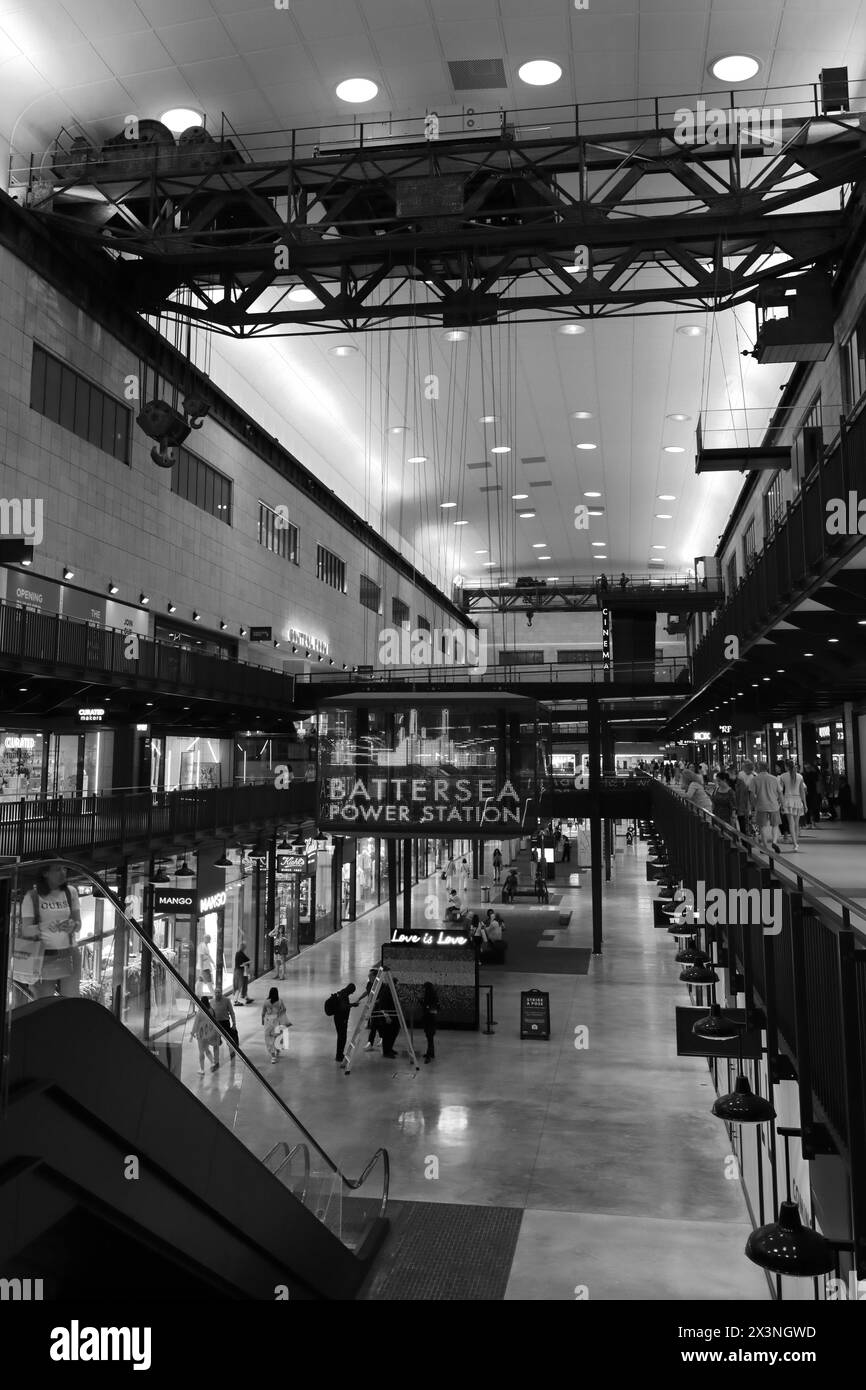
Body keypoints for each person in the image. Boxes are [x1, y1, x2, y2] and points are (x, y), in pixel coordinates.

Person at [20, 861, 82, 1000]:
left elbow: (78, 924)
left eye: (64, 869)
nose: (63, 873)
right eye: (57, 869)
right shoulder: (32, 897)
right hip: (43, 955)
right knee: (42, 1002)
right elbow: (26, 930)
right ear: (45, 873)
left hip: (70, 951)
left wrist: (72, 925)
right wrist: (45, 926)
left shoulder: (70, 892)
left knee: (71, 1001)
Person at [753, 761, 783, 853]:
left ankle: (765, 846)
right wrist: (782, 804)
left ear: (758, 768)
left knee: (762, 826)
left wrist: (754, 805)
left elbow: (751, 794)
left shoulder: (755, 779)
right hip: (774, 805)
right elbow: (780, 793)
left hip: (761, 805)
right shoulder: (774, 778)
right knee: (775, 825)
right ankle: (774, 842)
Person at [779, 760, 807, 851]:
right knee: (796, 823)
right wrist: (805, 804)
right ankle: (796, 842)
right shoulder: (799, 776)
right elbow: (802, 791)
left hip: (787, 800)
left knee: (790, 823)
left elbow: (780, 790)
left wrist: (780, 802)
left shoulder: (782, 776)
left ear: (786, 767)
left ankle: (795, 843)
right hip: (798, 800)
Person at [329, 981, 359, 1063]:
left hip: (339, 1018)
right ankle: (339, 1056)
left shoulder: (342, 992)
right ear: (350, 990)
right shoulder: (344, 995)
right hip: (341, 1020)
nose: (352, 993)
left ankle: (339, 1054)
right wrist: (353, 1005)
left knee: (341, 1037)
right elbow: (343, 1007)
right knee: (342, 1037)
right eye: (352, 992)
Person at [261, 986, 291, 1064]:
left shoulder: (266, 1002)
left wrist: (262, 1021)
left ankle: (273, 1056)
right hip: (277, 1021)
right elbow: (284, 1009)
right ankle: (277, 1049)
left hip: (268, 1022)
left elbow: (263, 1013)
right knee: (277, 1037)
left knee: (269, 1039)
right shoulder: (280, 1001)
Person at [190, 997, 219, 1075]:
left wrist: (192, 1035)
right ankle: (212, 1062)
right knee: (206, 1049)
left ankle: (202, 1069)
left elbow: (195, 1025)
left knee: (201, 1052)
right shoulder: (211, 1010)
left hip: (201, 1035)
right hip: (209, 1034)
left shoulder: (200, 1013)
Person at [210, 988, 238, 1069]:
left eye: (219, 992)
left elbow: (232, 1013)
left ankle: (232, 1057)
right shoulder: (211, 1002)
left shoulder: (226, 1000)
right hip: (216, 1024)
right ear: (214, 993)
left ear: (221, 993)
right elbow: (209, 1014)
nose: (217, 994)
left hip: (225, 1023)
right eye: (216, 992)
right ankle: (216, 1062)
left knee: (229, 1042)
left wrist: (234, 1024)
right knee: (215, 1044)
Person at [373, 981, 400, 1058]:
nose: (398, 986)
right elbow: (382, 1006)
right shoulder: (385, 992)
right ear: (393, 984)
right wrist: (387, 1017)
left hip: (393, 1015)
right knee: (387, 1035)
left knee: (394, 1032)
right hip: (387, 1017)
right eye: (397, 984)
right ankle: (386, 1052)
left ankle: (390, 1049)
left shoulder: (392, 991)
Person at [358, 967, 380, 1051]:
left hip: (377, 1008)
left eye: (370, 976)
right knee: (375, 1025)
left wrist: (374, 1002)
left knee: (374, 1025)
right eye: (368, 976)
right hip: (371, 1006)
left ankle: (370, 1043)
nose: (369, 978)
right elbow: (367, 991)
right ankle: (380, 1038)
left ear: (375, 977)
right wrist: (360, 998)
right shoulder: (369, 984)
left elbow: (381, 998)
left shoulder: (379, 985)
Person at [735, 762, 756, 836]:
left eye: (751, 771)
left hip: (748, 796)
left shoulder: (752, 776)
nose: (749, 772)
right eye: (749, 770)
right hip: (742, 796)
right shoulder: (741, 774)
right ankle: (746, 831)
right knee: (744, 814)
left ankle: (749, 831)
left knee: (748, 815)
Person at [421, 981, 439, 1064]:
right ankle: (431, 1053)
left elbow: (427, 1007)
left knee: (429, 1037)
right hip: (432, 1019)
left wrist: (423, 1004)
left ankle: (429, 1055)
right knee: (430, 1037)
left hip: (429, 1019)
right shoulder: (434, 996)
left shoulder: (429, 996)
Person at [233, 940, 252, 1004]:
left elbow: (246, 960)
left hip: (241, 971)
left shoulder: (241, 953)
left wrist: (247, 962)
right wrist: (247, 962)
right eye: (245, 947)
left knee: (243, 984)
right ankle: (235, 1000)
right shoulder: (239, 953)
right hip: (239, 971)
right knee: (239, 985)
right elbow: (241, 964)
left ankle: (245, 997)